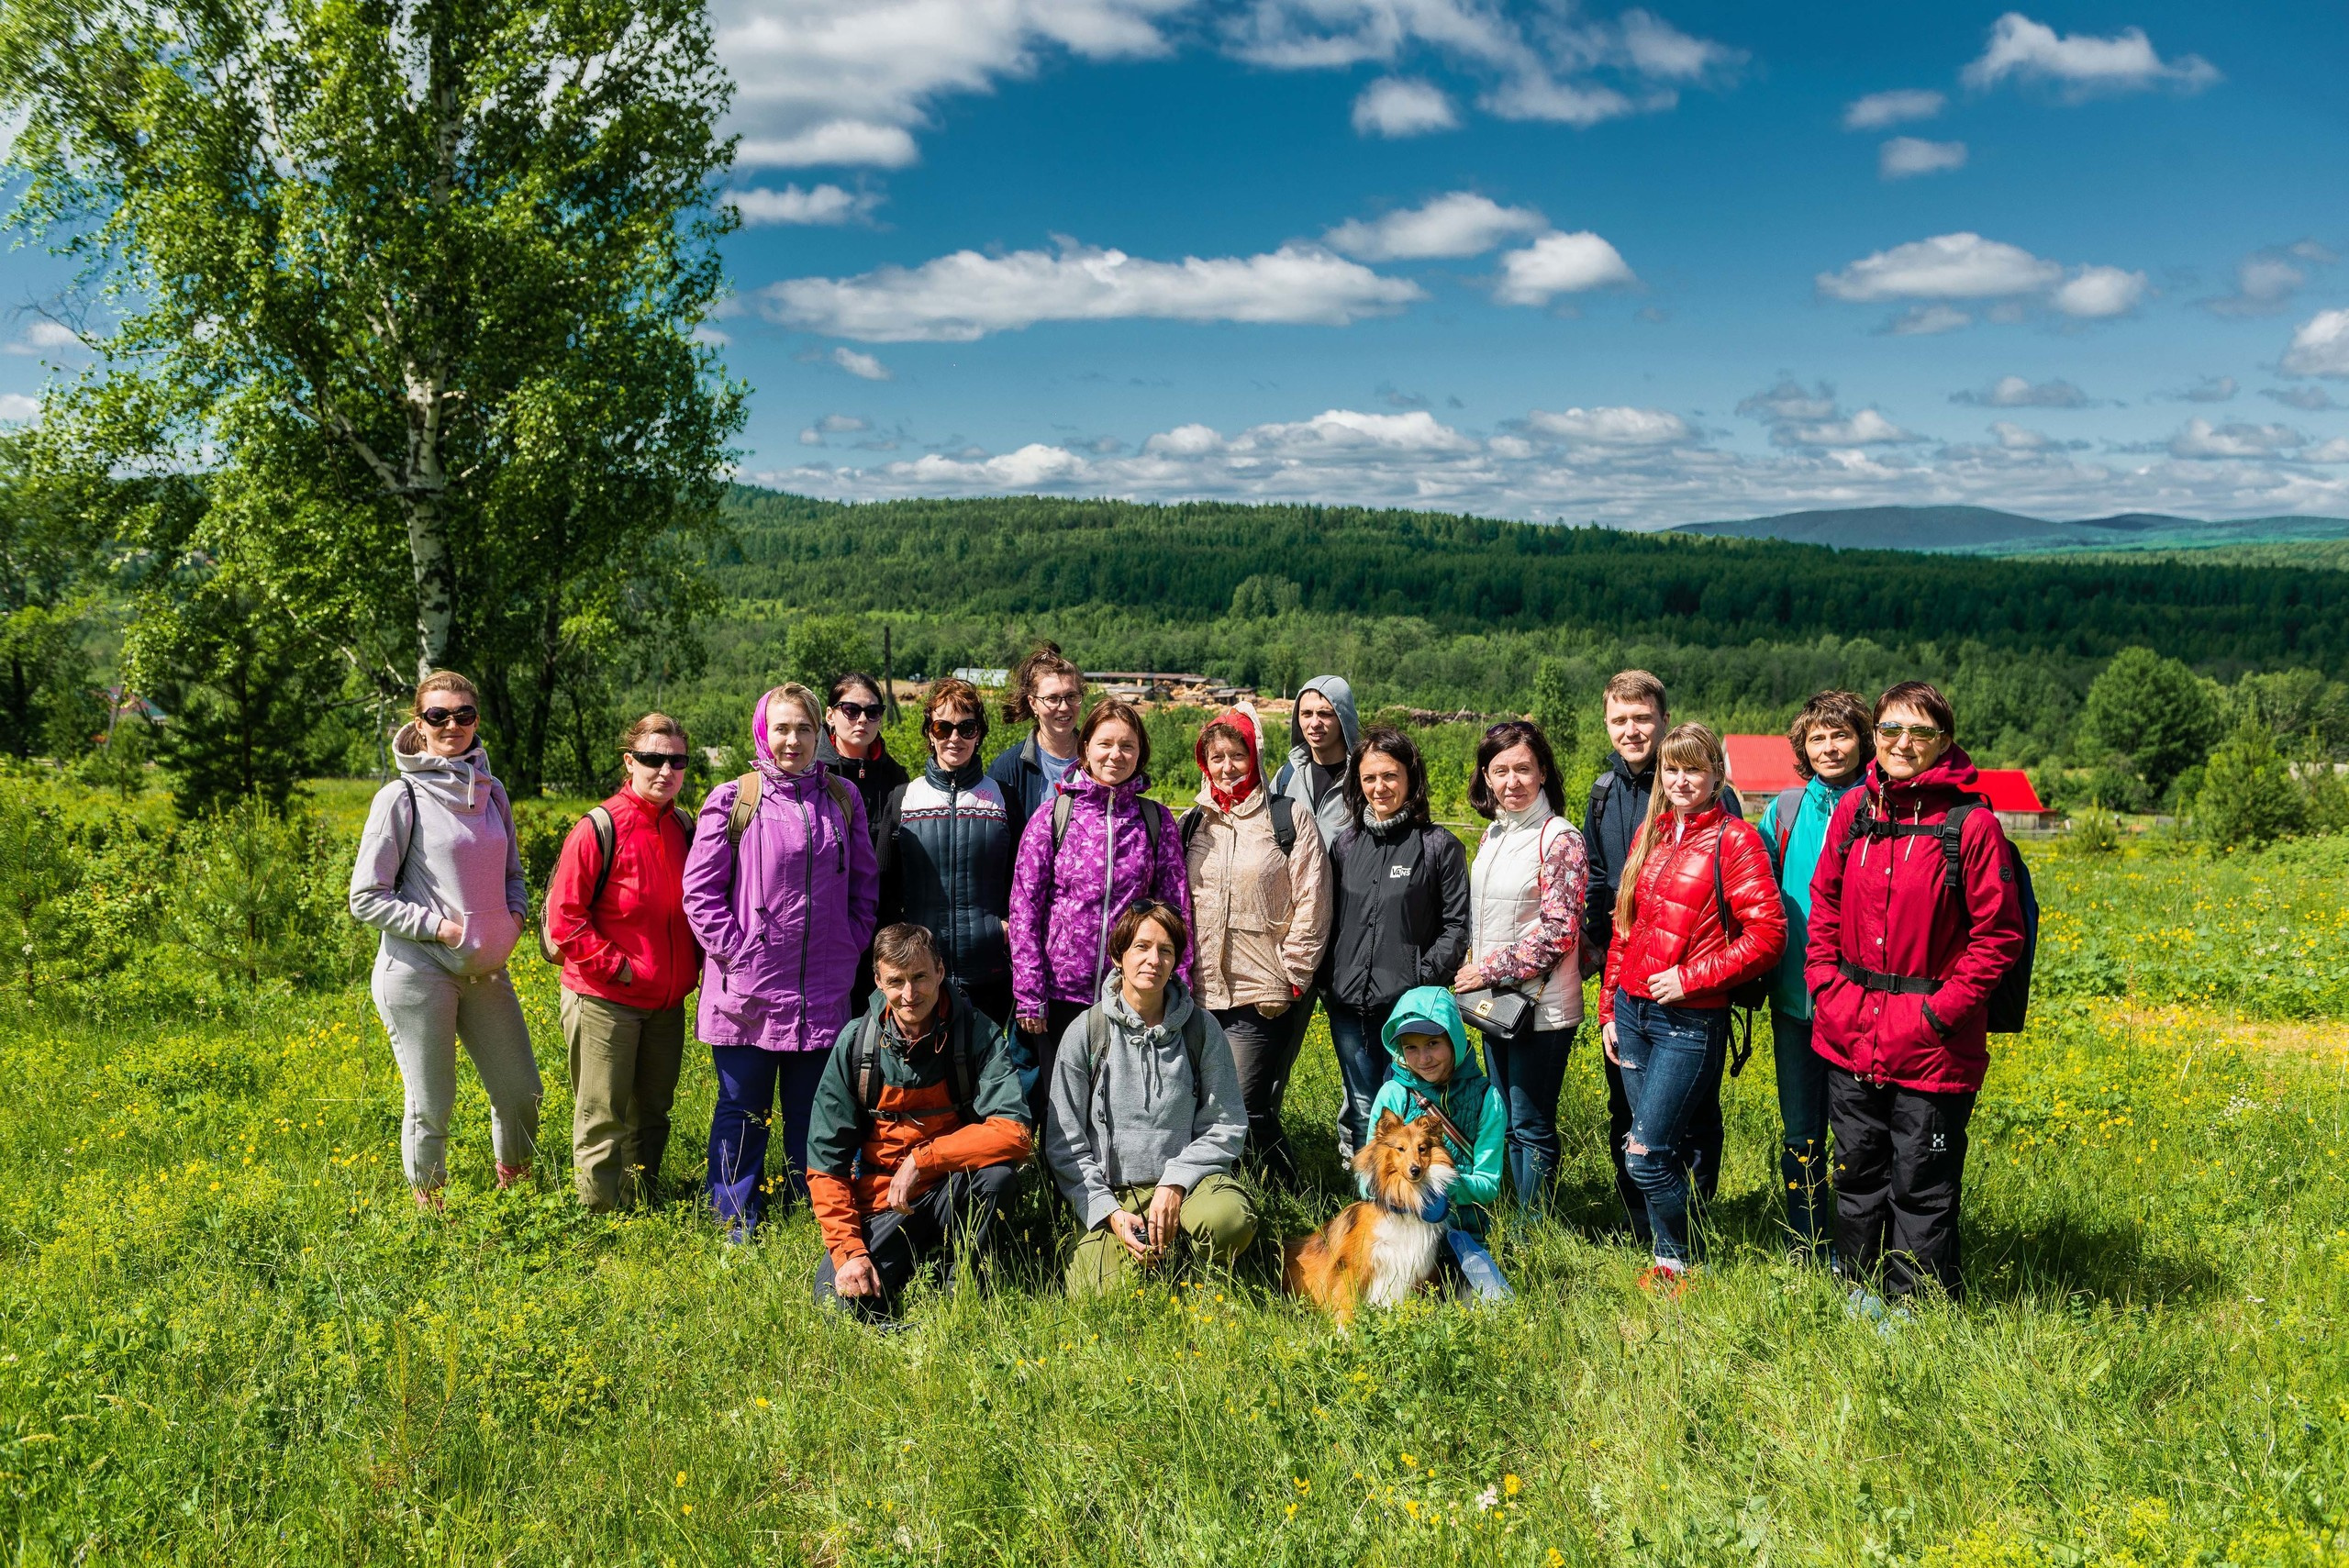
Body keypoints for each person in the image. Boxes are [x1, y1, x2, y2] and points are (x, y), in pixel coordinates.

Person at [1806, 682, 2026, 1306]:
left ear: (1944, 742)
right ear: (1875, 736)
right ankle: (1860, 1290)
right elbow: (1823, 903)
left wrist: (1933, 1017)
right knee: (1855, 1174)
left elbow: (1997, 938)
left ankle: (1917, 1307)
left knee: (1921, 1182)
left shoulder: (1971, 825)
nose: (1904, 743)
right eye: (1891, 729)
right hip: (1849, 1030)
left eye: (1920, 731)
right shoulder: (1855, 811)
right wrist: (1828, 986)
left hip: (1933, 1046)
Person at [683, 683, 878, 1241]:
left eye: (804, 728)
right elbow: (700, 892)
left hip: (823, 987)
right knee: (742, 1108)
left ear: (822, 734)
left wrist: (851, 941)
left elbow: (865, 885)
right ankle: (735, 1218)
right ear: (763, 732)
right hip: (747, 988)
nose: (792, 739)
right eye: (782, 727)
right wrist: (737, 953)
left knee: (814, 1111)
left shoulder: (843, 800)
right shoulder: (733, 799)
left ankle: (811, 1208)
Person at [1599, 721, 1783, 1288]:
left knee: (1646, 1153)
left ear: (1715, 776)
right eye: (1672, 769)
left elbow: (1768, 933)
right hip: (1633, 1013)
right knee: (1651, 1141)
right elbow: (1624, 928)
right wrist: (1608, 1008)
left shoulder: (1736, 840)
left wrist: (1690, 978)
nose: (1681, 780)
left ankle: (1678, 1255)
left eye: (1693, 769)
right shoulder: (1651, 834)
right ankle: (1671, 1254)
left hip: (1688, 1019)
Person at [349, 671, 541, 1209]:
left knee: (520, 1092)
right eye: (438, 715)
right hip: (417, 971)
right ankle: (431, 1214)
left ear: (477, 721)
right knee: (432, 1104)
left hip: (484, 970)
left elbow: (513, 875)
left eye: (463, 714)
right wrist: (441, 927)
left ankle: (518, 1199)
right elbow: (366, 897)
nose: (451, 724)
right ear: (420, 723)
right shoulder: (400, 797)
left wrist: (515, 918)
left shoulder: (492, 791)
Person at [1581, 670, 1742, 1245]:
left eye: (1642, 718)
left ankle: (1688, 1225)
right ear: (1607, 724)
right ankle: (1639, 1219)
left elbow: (1734, 897)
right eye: (1620, 719)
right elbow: (1600, 882)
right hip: (1627, 986)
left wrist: (1699, 972)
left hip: (1690, 993)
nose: (1631, 730)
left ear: (1664, 720)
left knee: (1692, 1115)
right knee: (1624, 1108)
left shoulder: (1703, 792)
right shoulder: (1602, 795)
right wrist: (1601, 963)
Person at [807, 924, 1032, 1323]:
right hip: (881, 1202)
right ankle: (899, 1282)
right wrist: (850, 1252)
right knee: (835, 1305)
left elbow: (1015, 1133)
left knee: (998, 1178)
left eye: (920, 977)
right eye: (896, 981)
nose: (910, 994)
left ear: (941, 971)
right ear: (877, 981)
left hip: (951, 1188)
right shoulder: (856, 1043)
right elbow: (826, 1164)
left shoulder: (976, 1033)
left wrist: (923, 1160)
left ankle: (961, 1285)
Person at [1045, 901, 1254, 1296]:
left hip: (1188, 1187)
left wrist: (1175, 1183)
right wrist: (1108, 1212)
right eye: (1141, 947)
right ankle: (1146, 1252)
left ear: (1176, 960)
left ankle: (1194, 1263)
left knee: (1228, 1220)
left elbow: (1225, 1124)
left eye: (1165, 950)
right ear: (1118, 954)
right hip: (1114, 1193)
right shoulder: (1086, 1031)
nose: (1153, 960)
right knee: (1095, 1294)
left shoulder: (1201, 1030)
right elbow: (1065, 1142)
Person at [541, 713, 702, 1211]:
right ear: (630, 761)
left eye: (676, 760)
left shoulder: (683, 825)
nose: (665, 770)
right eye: (653, 759)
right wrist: (620, 968)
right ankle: (602, 1220)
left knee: (653, 1112)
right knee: (602, 1114)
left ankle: (643, 1203)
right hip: (605, 999)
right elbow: (565, 917)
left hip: (666, 1002)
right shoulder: (600, 827)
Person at [1008, 697, 1191, 1121]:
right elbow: (1024, 910)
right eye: (1105, 743)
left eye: (1127, 746)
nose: (1116, 755)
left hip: (1132, 991)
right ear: (1085, 746)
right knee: (1062, 1104)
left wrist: (1176, 985)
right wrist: (1030, 992)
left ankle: (1116, 1184)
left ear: (1140, 753)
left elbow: (1176, 909)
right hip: (1061, 992)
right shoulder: (1054, 815)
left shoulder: (1155, 820)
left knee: (1123, 1104)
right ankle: (1060, 1186)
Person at [1182, 706, 1331, 1185]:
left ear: (1255, 757)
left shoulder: (1287, 819)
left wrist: (1293, 975)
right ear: (1205, 762)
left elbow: (1314, 899)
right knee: (1195, 1104)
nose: (1228, 767)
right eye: (1217, 756)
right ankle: (1216, 1196)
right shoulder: (1191, 823)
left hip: (1261, 993)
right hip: (1199, 993)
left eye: (1238, 755)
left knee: (1247, 1106)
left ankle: (1288, 1195)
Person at [1754, 691, 1874, 1262]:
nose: (1829, 747)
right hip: (1795, 1001)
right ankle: (1806, 1241)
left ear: (1862, 740)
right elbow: (1753, 890)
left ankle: (1859, 1243)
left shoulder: (1886, 804)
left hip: (1863, 1002)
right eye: (1817, 738)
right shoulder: (1784, 810)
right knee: (1801, 1131)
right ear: (1803, 746)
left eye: (1841, 735)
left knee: (1860, 1133)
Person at [1320, 725, 1471, 1162]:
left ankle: (1425, 1206)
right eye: (1369, 778)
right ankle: (1372, 1204)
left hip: (1408, 1011)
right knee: (1367, 1109)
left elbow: (1457, 928)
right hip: (1349, 1008)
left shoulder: (1437, 845)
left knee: (1415, 1113)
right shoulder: (1346, 845)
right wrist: (1331, 981)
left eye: (1390, 775)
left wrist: (1416, 983)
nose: (1379, 787)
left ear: (1410, 779)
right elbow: (1328, 920)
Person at [1452, 719, 1586, 1207]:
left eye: (1524, 769)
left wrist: (1483, 971)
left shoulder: (1559, 839)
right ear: (1486, 776)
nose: (1512, 782)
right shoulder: (1492, 836)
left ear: (1544, 771)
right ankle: (1516, 1214)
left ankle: (1536, 1231)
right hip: (1501, 1003)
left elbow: (1559, 932)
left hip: (1542, 1007)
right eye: (1500, 770)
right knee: (1507, 1118)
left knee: (1531, 1123)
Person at [874, 678, 1018, 1026]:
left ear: (979, 733)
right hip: (918, 977)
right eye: (943, 727)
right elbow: (882, 887)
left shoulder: (1004, 798)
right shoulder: (903, 799)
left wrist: (1001, 929)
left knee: (984, 1074)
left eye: (966, 727)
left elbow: (1022, 882)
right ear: (930, 733)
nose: (955, 738)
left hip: (989, 972)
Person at [1366, 985, 1510, 1300]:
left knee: (1492, 1307)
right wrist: (1403, 1196)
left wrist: (1443, 1189)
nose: (1423, 1058)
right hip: (1397, 1235)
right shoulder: (1393, 1094)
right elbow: (1369, 1180)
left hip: (1461, 1237)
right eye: (1411, 1048)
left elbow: (1488, 1185)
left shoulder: (1487, 1098)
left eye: (1433, 1043)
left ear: (1454, 1039)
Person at [987, 642, 1086, 841]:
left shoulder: (1098, 761)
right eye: (1052, 698)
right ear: (1033, 703)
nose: (1064, 707)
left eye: (1071, 696)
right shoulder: (1008, 769)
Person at [817, 671, 910, 838]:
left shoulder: (895, 777)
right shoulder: (814, 773)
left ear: (880, 719)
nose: (862, 719)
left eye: (872, 712)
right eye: (851, 710)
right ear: (830, 716)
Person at [1272, 675, 1361, 849]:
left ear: (1344, 718)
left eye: (1324, 714)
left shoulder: (1364, 779)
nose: (1314, 723)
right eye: (1306, 714)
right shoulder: (1286, 778)